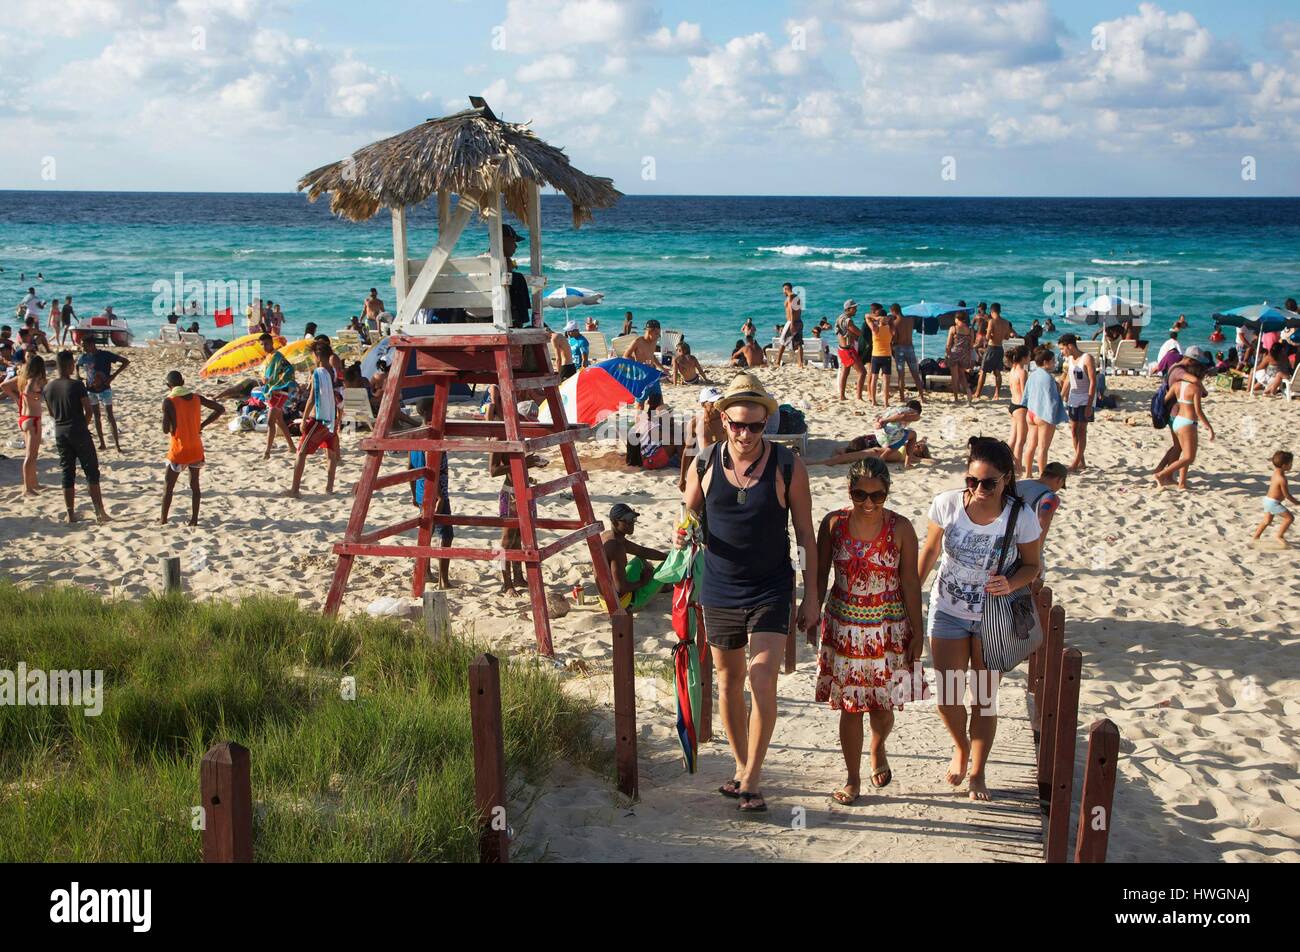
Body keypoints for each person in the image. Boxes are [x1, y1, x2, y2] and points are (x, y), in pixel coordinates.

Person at [680, 372, 819, 814]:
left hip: (771, 586)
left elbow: (806, 536)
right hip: (718, 587)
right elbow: (686, 520)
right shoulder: (702, 464)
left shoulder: (788, 466)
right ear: (723, 420)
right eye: (737, 424)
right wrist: (682, 536)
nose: (745, 434)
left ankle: (753, 780)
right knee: (727, 681)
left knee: (762, 679)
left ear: (767, 424)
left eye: (755, 426)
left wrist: (811, 595)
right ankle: (742, 767)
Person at [917, 437, 1042, 801]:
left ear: (1006, 479)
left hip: (993, 617)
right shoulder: (947, 504)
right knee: (948, 697)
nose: (978, 489)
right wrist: (910, 597)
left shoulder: (1021, 516)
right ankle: (960, 747)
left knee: (984, 699)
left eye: (989, 483)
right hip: (948, 609)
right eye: (972, 481)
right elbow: (929, 552)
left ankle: (978, 771)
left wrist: (1012, 581)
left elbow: (1032, 565)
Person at [809, 456, 924, 804]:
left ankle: (878, 746)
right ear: (849, 491)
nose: (869, 503)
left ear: (888, 493)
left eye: (878, 495)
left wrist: (917, 632)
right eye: (860, 495)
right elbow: (819, 572)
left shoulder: (901, 528)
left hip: (888, 627)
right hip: (844, 626)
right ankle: (852, 778)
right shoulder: (833, 524)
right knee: (850, 705)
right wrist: (810, 610)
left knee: (883, 705)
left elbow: (910, 582)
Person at [44, 350, 110, 523]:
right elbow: (88, 410)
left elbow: (52, 413)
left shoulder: (48, 387)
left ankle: (70, 514)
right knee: (91, 471)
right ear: (69, 365)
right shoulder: (76, 385)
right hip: (78, 431)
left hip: (60, 432)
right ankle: (99, 512)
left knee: (67, 472)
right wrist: (83, 425)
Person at [159, 371, 224, 525]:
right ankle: (194, 520)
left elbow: (165, 429)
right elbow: (220, 409)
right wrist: (201, 425)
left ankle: (163, 520)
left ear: (169, 386)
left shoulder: (169, 401)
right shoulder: (196, 398)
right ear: (183, 381)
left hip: (179, 450)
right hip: (196, 448)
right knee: (195, 485)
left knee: (168, 486)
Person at [286, 341, 341, 497]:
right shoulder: (333, 372)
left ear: (317, 355)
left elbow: (312, 398)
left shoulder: (318, 372)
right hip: (331, 417)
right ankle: (329, 489)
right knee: (330, 453)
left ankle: (295, 490)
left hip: (319, 419)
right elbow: (336, 395)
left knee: (301, 453)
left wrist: (303, 419)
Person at [409, 397, 454, 588]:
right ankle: (443, 578)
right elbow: (432, 467)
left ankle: (425, 571)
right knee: (447, 535)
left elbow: (411, 467)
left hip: (420, 490)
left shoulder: (416, 435)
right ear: (428, 412)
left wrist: (413, 494)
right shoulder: (432, 436)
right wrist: (439, 495)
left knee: (427, 531)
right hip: (436, 490)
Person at [1154, 360, 1213, 491]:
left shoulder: (1177, 385)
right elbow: (1198, 411)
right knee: (1189, 457)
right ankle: (1161, 474)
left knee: (1184, 453)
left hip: (1177, 421)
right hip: (1188, 422)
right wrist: (1209, 427)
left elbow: (1165, 400)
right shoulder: (1195, 389)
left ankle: (1182, 483)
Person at [601, 503, 667, 611]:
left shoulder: (609, 536)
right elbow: (620, 588)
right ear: (614, 522)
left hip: (605, 599)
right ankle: (662, 586)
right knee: (667, 566)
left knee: (639, 560)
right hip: (621, 604)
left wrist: (666, 556)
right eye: (626, 519)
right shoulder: (616, 547)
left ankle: (660, 585)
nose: (631, 523)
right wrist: (643, 581)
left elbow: (642, 551)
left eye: (633, 518)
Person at [1021, 347, 1068, 479]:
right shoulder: (1048, 378)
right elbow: (1052, 401)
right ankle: (1042, 476)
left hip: (1031, 413)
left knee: (1030, 445)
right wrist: (1054, 417)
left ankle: (1028, 473)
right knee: (1043, 448)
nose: (1055, 363)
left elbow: (1026, 395)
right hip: (1043, 414)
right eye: (1053, 361)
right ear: (1046, 362)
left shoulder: (1033, 374)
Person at [76, 337, 128, 452]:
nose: (82, 348)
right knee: (96, 416)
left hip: (105, 390)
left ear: (91, 344)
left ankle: (117, 445)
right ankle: (102, 443)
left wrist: (113, 376)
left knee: (110, 416)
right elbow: (77, 364)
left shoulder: (105, 355)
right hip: (90, 390)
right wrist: (78, 376)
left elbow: (125, 361)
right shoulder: (84, 357)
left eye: (84, 345)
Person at [1014, 462, 1067, 574]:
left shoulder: (1019, 484)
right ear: (1059, 480)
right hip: (1026, 546)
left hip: (1006, 541)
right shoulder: (1051, 497)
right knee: (1035, 586)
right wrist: (1036, 555)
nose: (1058, 489)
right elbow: (1043, 520)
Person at [6, 354, 47, 495]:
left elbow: (4, 386)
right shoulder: (34, 379)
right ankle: (27, 488)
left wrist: (17, 399)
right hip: (32, 419)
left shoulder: (21, 378)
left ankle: (34, 483)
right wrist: (38, 396)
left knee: (32, 455)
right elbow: (29, 391)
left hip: (24, 417)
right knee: (31, 455)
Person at [1057, 334, 1097, 472]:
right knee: (1073, 430)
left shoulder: (1087, 358)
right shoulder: (1069, 359)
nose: (1061, 352)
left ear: (1070, 345)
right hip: (1074, 397)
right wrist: (1061, 396)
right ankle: (1081, 461)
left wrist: (1089, 404)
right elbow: (1068, 379)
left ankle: (1075, 463)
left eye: (1062, 349)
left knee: (1082, 431)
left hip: (1086, 398)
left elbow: (1093, 381)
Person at [679, 386, 725, 492]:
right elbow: (688, 450)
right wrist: (682, 478)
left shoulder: (725, 420)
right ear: (703, 404)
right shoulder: (694, 423)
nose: (716, 405)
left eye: (718, 401)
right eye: (713, 402)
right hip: (704, 465)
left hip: (723, 464)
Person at [259, 333, 298, 457]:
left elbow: (289, 370)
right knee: (279, 421)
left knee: (270, 422)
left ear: (271, 343)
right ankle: (292, 447)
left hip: (279, 392)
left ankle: (267, 451)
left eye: (266, 343)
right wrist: (266, 380)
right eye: (262, 344)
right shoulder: (268, 358)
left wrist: (278, 384)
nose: (264, 346)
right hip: (272, 392)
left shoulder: (278, 356)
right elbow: (268, 375)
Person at [1253, 451, 1297, 546]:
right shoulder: (1282, 479)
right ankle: (1279, 536)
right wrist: (1297, 502)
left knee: (1266, 521)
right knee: (1289, 518)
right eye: (1291, 463)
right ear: (1284, 465)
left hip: (1267, 500)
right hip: (1273, 503)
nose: (1291, 465)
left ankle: (1256, 537)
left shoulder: (1275, 473)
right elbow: (1287, 495)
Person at [974, 303, 1010, 400]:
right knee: (997, 372)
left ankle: (977, 393)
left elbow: (988, 336)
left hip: (991, 348)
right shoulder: (1006, 322)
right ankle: (997, 394)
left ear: (992, 311)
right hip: (1000, 348)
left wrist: (989, 333)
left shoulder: (992, 322)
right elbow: (1007, 337)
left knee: (983, 371)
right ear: (1000, 311)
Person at [1006, 345, 1031, 475]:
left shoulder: (1012, 370)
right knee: (1021, 440)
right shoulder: (1022, 372)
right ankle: (1018, 466)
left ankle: (1006, 462)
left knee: (1013, 437)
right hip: (1021, 406)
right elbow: (1024, 392)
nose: (1030, 358)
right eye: (1029, 355)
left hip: (1012, 404)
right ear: (1024, 357)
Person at [861, 305, 893, 407]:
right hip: (887, 356)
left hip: (876, 356)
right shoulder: (891, 329)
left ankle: (874, 401)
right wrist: (888, 319)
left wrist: (875, 318)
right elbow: (893, 318)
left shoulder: (875, 329)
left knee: (874, 378)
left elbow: (866, 316)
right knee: (886, 380)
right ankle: (886, 402)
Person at [890, 303, 922, 402]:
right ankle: (922, 397)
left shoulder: (895, 323)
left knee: (901, 375)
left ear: (893, 311)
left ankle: (902, 398)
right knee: (915, 374)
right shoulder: (910, 321)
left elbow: (895, 338)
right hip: (910, 347)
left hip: (900, 348)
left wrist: (891, 345)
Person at [835, 300, 865, 401]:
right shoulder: (848, 320)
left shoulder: (840, 318)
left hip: (841, 348)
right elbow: (858, 332)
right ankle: (859, 397)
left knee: (845, 371)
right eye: (854, 308)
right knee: (862, 372)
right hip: (848, 350)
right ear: (848, 309)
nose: (856, 310)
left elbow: (844, 333)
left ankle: (842, 396)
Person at [945, 311, 976, 405]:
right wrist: (970, 358)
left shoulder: (953, 328)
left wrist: (947, 355)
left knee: (955, 377)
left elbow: (948, 345)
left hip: (954, 355)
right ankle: (968, 391)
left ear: (958, 319)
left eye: (955, 319)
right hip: (964, 355)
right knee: (962, 375)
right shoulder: (970, 330)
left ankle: (956, 398)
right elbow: (971, 346)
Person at [773, 283, 804, 368]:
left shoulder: (790, 297)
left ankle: (777, 362)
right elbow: (799, 310)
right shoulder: (797, 297)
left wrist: (792, 323)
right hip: (799, 321)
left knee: (782, 342)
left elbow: (792, 310)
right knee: (798, 343)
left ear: (786, 289)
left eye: (783, 290)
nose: (783, 292)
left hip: (791, 322)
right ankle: (800, 364)